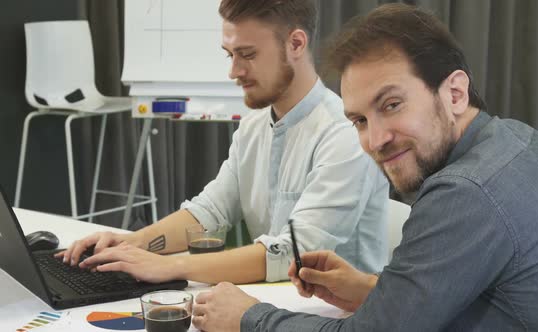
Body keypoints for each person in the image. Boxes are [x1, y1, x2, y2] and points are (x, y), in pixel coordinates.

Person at [191, 3, 538, 331]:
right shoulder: (518, 140)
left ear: (454, 92)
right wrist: (372, 289)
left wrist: (247, 317)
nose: (375, 140)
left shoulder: (465, 191)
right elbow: (489, 295)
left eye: (391, 105)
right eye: (360, 121)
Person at [56, 0, 389, 285]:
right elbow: (209, 212)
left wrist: (170, 266)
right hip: (275, 307)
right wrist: (134, 243)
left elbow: (294, 252)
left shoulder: (345, 134)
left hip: (338, 319)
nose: (233, 71)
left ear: (297, 44)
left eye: (247, 54)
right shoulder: (253, 127)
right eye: (229, 54)